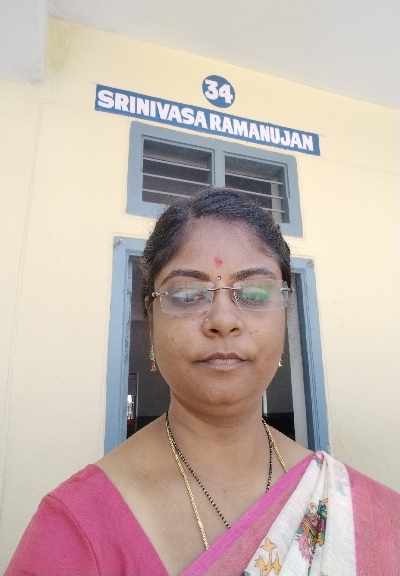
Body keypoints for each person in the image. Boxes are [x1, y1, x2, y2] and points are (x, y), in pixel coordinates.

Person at [6, 188, 400, 575]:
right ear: (151, 325)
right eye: (187, 295)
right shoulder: (74, 530)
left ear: (284, 318)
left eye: (255, 293)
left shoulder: (369, 515)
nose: (223, 320)